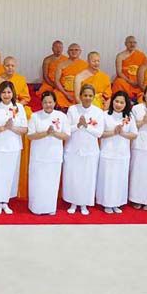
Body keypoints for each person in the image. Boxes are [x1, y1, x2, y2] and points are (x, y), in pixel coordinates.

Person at [0, 81, 28, 214]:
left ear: (13, 93)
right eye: (3, 92)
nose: (6, 95)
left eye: (9, 92)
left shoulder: (19, 107)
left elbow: (25, 129)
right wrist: (3, 127)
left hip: (13, 146)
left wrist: (12, 127)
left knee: (10, 174)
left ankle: (6, 201)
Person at [63, 84, 105, 215]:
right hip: (73, 148)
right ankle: (73, 202)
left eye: (90, 96)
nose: (87, 98)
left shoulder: (98, 112)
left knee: (88, 177)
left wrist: (86, 126)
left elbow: (99, 133)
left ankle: (84, 204)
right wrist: (78, 125)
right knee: (73, 177)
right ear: (80, 96)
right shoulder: (72, 109)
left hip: (90, 150)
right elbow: (66, 129)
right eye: (85, 95)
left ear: (93, 97)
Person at [27, 91, 70, 215]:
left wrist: (54, 133)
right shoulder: (35, 116)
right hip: (38, 156)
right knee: (38, 182)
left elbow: (66, 135)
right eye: (45, 102)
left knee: (52, 183)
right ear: (41, 103)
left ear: (55, 103)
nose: (48, 105)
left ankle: (51, 208)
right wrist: (45, 133)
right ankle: (36, 207)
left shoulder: (61, 116)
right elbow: (30, 136)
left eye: (50, 102)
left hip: (54, 156)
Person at [97, 91, 138, 214]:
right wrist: (113, 132)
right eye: (116, 101)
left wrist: (122, 133)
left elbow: (134, 134)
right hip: (107, 153)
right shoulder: (104, 115)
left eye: (121, 102)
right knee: (108, 179)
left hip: (122, 154)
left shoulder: (129, 117)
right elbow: (100, 134)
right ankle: (107, 203)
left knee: (120, 179)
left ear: (126, 104)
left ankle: (117, 203)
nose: (118, 104)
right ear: (112, 102)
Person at [51, 43, 86, 108]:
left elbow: (88, 81)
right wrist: (66, 94)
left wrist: (79, 93)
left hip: (80, 92)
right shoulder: (61, 65)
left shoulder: (85, 65)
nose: (74, 52)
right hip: (64, 91)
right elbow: (56, 81)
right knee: (56, 95)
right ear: (67, 52)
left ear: (80, 52)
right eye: (71, 50)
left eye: (76, 50)